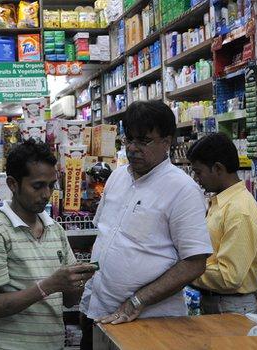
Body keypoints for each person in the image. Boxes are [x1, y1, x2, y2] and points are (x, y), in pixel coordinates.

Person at [79, 101, 213, 349]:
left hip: (149, 321)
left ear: (167, 141)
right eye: (128, 139)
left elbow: (195, 262)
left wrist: (137, 302)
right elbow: (106, 236)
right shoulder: (118, 176)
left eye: (143, 141)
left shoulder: (182, 190)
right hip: (98, 311)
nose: (132, 148)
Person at [0, 139, 97, 350]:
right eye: (38, 186)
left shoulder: (55, 229)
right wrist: (49, 285)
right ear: (13, 184)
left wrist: (80, 280)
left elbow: (68, 300)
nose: (47, 194)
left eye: (51, 185)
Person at [187, 133, 257, 315]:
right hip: (216, 301)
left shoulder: (239, 211)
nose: (196, 178)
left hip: (230, 307)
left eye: (199, 172)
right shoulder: (221, 203)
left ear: (218, 168)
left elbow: (229, 277)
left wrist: (185, 270)